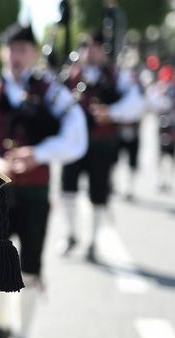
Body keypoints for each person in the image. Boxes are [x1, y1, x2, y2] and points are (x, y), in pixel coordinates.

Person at [0, 24, 87, 338]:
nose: (17, 56)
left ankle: (22, 335)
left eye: (24, 49)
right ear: (4, 53)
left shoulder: (53, 93)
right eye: (12, 48)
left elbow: (76, 135)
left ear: (33, 54)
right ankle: (2, 327)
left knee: (32, 268)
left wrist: (39, 153)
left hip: (35, 193)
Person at [61, 30, 144, 261]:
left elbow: (137, 102)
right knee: (68, 190)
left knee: (98, 193)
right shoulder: (71, 74)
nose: (92, 51)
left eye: (96, 47)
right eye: (87, 46)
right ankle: (71, 234)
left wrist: (112, 112)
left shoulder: (117, 76)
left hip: (102, 143)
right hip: (74, 144)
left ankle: (93, 241)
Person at [146, 65, 175, 192]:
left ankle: (170, 180)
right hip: (162, 125)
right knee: (160, 153)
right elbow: (152, 103)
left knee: (173, 154)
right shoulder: (157, 89)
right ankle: (159, 178)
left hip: (174, 125)